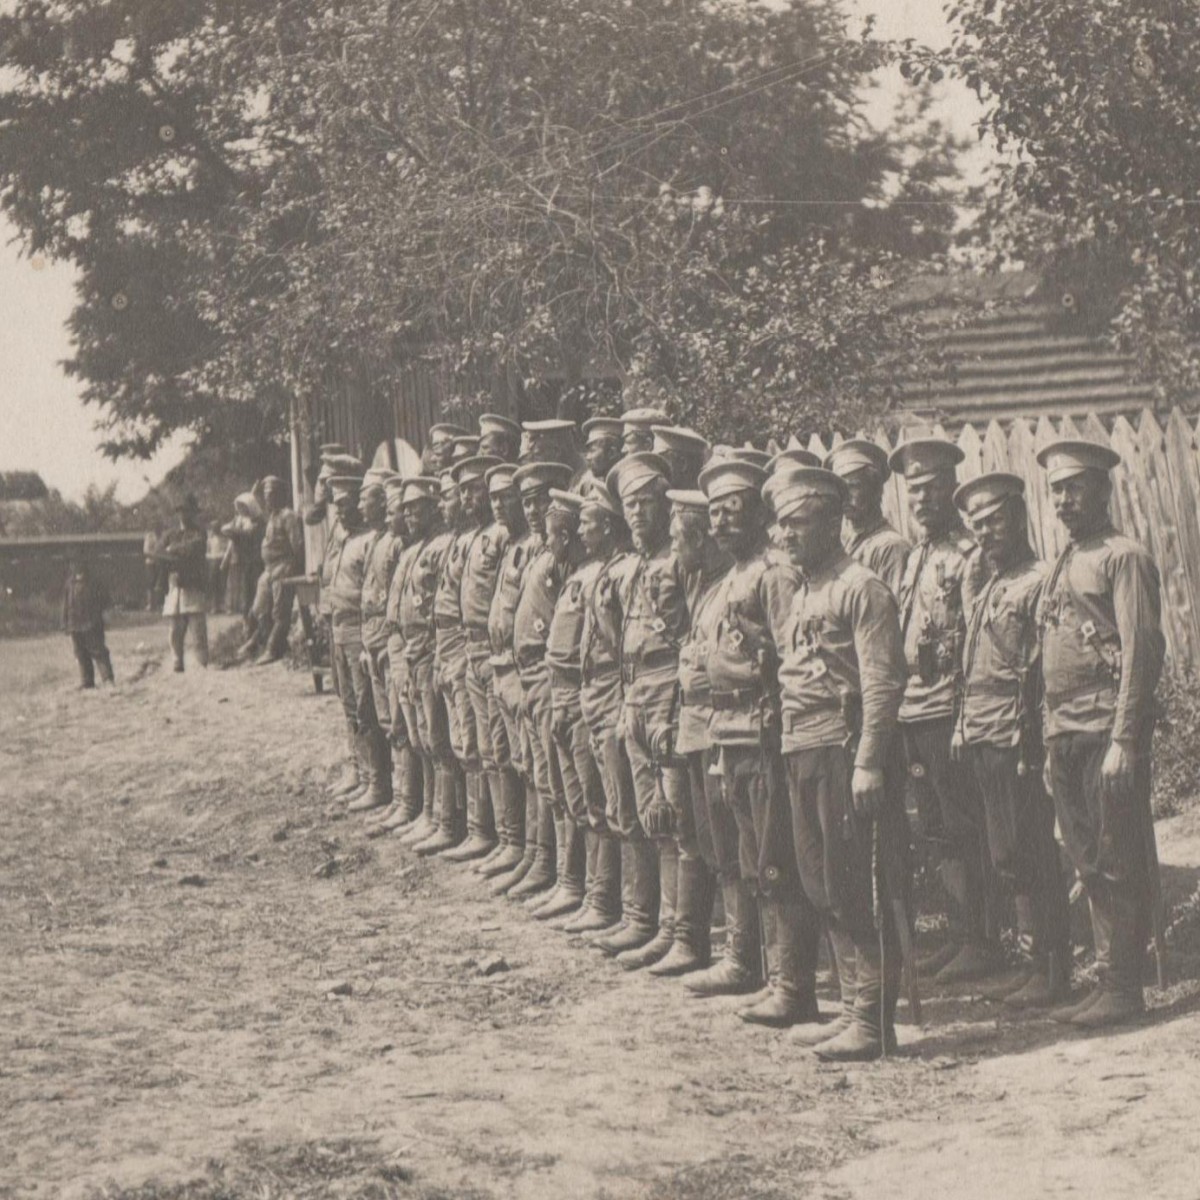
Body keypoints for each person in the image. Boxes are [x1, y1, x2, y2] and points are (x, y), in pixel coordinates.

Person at [772, 466, 909, 1060]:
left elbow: (881, 682)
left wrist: (870, 761)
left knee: (858, 887)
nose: (786, 535)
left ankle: (874, 1022)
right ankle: (852, 1009)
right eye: (781, 525)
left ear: (831, 522)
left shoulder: (863, 587)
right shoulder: (803, 589)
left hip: (842, 750)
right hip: (801, 746)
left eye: (798, 523)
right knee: (820, 883)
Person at [1037, 439, 1165, 1028]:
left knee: (1118, 857)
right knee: (1086, 858)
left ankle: (1124, 987)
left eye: (1075, 487)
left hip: (1104, 729)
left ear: (1103, 489)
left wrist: (1126, 738)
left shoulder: (1124, 556)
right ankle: (1110, 976)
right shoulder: (1065, 558)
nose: (1064, 500)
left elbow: (1141, 652)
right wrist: (1048, 738)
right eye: (1057, 489)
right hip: (1065, 732)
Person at [697, 457, 820, 1028]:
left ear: (758, 513)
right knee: (751, 859)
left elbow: (796, 657)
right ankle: (766, 974)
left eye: (733, 511)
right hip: (731, 734)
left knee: (778, 862)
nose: (722, 523)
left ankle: (794, 986)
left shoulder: (774, 575)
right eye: (715, 514)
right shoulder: (729, 578)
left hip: (767, 734)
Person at [953, 473, 1072, 1009]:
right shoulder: (987, 585)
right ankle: (1031, 962)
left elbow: (1040, 669)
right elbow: (970, 666)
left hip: (1016, 736)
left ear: (1019, 518)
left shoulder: (1039, 580)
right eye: (977, 525)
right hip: (982, 731)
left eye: (995, 520)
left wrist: (1035, 741)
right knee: (1005, 852)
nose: (986, 533)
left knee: (1030, 849)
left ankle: (1052, 969)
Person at [890, 438, 999, 985]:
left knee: (964, 825)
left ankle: (982, 939)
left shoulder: (967, 558)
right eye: (914, 489)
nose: (922, 498)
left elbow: (977, 641)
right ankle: (960, 935)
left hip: (949, 711)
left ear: (951, 489)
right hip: (914, 709)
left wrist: (964, 715)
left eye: (932, 488)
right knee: (935, 829)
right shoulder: (915, 558)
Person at [609, 450, 692, 970]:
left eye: (646, 503)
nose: (638, 513)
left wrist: (677, 707)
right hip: (636, 690)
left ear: (665, 506)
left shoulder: (679, 561)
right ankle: (657, 924)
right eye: (630, 505)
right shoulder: (633, 566)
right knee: (648, 814)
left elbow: (691, 637)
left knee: (676, 816)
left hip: (667, 690)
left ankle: (684, 931)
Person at [651, 488, 728, 978]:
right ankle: (691, 941)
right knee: (696, 832)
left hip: (725, 725)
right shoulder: (698, 582)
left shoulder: (726, 581)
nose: (673, 552)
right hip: (695, 720)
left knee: (727, 841)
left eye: (679, 541)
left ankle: (742, 957)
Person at [506, 460, 575, 900]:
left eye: (539, 501)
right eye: (526, 501)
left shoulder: (562, 559)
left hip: (551, 676)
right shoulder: (535, 551)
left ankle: (568, 879)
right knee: (536, 771)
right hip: (526, 673)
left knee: (562, 783)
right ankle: (541, 859)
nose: (532, 510)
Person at [570, 484, 637, 936]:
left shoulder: (626, 570)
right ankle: (606, 898)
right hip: (593, 689)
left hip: (614, 690)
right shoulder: (602, 569)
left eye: (587, 522)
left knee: (623, 804)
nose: (580, 529)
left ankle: (632, 913)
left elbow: (623, 644)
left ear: (608, 526)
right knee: (602, 799)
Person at [480, 463, 537, 884]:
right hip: (499, 662)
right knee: (510, 759)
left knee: (533, 767)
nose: (500, 505)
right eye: (494, 498)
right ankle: (515, 844)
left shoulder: (535, 545)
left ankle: (540, 858)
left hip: (523, 669)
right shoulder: (509, 544)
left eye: (507, 497)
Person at [449, 453, 507, 861]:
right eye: (464, 490)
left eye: (475, 489)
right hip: (467, 646)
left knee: (502, 752)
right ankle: (487, 833)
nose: (470, 496)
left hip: (493, 648)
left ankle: (509, 839)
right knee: (477, 746)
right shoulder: (471, 539)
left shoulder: (503, 536)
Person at [396, 475, 457, 851]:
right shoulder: (415, 548)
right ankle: (431, 814)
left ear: (432, 509)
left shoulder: (440, 546)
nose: (408, 515)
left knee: (440, 739)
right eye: (405, 509)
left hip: (432, 648)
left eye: (415, 508)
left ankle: (448, 822)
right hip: (412, 649)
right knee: (422, 736)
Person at [325, 474, 380, 807]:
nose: (342, 512)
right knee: (348, 705)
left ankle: (377, 781)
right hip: (338, 630)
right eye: (338, 507)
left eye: (347, 505)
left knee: (365, 707)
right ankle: (358, 772)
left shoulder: (368, 540)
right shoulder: (343, 541)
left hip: (358, 631)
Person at [350, 469, 403, 815]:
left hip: (389, 640)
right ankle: (397, 796)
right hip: (372, 640)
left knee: (401, 723)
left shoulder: (396, 543)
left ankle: (407, 800)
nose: (359, 505)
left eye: (364, 498)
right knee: (383, 719)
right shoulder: (375, 541)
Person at [826, 439, 911, 599]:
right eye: (841, 489)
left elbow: (895, 613)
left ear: (876, 489)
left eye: (854, 486)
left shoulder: (891, 547)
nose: (845, 496)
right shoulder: (848, 542)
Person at [240, 475, 304, 666]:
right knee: (259, 608)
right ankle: (257, 641)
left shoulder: (288, 516)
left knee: (280, 612)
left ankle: (272, 649)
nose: (267, 499)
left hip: (283, 568)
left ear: (281, 496)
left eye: (272, 495)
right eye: (266, 495)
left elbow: (297, 546)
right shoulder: (272, 517)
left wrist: (292, 571)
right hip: (269, 569)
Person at [158, 494, 209, 672]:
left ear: (193, 513)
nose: (183, 515)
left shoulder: (199, 532)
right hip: (175, 582)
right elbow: (158, 552)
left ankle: (203, 662)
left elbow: (195, 547)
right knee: (174, 627)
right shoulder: (170, 534)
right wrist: (171, 553)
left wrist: (174, 550)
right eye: (180, 511)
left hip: (193, 582)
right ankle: (177, 661)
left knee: (197, 627)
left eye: (187, 512)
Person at [62, 558, 114, 688]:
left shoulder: (94, 583)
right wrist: (65, 623)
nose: (76, 568)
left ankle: (107, 679)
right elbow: (65, 605)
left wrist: (105, 616)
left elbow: (105, 601)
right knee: (81, 653)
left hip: (92, 623)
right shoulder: (69, 584)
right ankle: (87, 681)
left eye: (79, 565)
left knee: (99, 652)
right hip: (75, 624)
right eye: (73, 566)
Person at [221, 493, 264, 627]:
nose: (241, 511)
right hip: (244, 561)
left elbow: (249, 534)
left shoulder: (258, 522)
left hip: (256, 561)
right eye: (239, 508)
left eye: (243, 507)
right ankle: (247, 624)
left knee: (256, 592)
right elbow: (225, 529)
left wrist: (236, 532)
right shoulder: (239, 521)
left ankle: (257, 624)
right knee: (245, 593)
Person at [578, 417, 623, 496]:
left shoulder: (626, 484)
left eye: (592, 451)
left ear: (611, 453)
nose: (588, 457)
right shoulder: (587, 483)